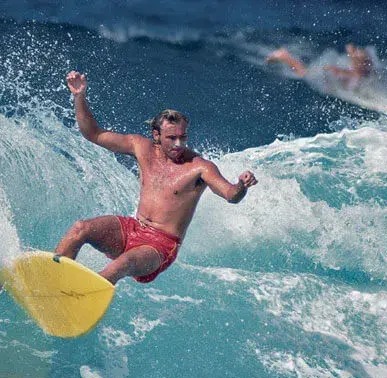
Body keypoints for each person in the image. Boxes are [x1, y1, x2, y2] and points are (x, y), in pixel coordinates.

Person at [54, 71, 257, 285]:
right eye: (172, 138)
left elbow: (231, 195)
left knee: (122, 263)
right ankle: (52, 277)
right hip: (133, 228)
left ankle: (81, 296)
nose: (179, 144)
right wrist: (79, 96)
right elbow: (93, 134)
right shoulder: (141, 147)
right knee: (80, 228)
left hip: (160, 246)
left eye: (183, 137)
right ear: (156, 135)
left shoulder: (200, 168)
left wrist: (241, 185)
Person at [265, 44, 373, 88]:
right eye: (365, 63)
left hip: (329, 71)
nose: (368, 66)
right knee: (303, 73)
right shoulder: (354, 74)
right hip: (324, 73)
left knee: (304, 71)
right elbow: (334, 72)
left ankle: (284, 55)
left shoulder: (360, 74)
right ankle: (283, 55)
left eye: (368, 63)